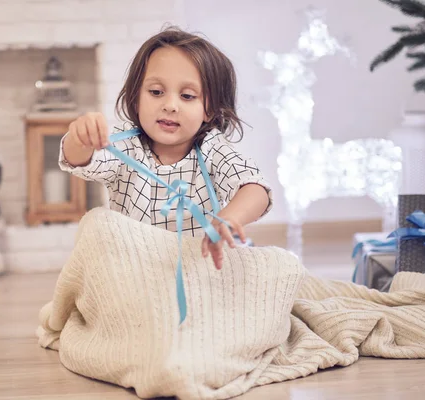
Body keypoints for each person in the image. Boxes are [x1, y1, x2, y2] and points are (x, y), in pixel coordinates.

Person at [59, 27, 272, 270]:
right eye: (156, 92)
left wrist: (230, 218)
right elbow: (79, 160)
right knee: (95, 223)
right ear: (136, 97)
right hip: (132, 270)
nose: (170, 105)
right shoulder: (125, 145)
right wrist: (80, 138)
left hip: (196, 268)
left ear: (209, 109)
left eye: (188, 96)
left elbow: (255, 188)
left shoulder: (213, 149)